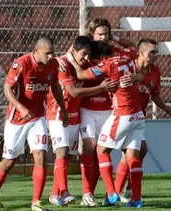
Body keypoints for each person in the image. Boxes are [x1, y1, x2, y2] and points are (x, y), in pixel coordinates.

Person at [0, 36, 69, 211]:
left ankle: (36, 202)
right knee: (9, 161)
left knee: (41, 157)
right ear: (37, 50)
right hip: (16, 119)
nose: (50, 57)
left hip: (38, 117)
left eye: (53, 53)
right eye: (47, 53)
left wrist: (64, 109)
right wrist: (20, 107)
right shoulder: (21, 63)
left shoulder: (53, 65)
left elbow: (55, 87)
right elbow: (7, 89)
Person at [66, 41, 145, 208]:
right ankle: (136, 199)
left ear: (102, 57)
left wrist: (70, 58)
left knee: (101, 150)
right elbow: (133, 49)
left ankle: (111, 193)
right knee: (132, 156)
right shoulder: (128, 57)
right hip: (138, 115)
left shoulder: (108, 64)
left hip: (122, 114)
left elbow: (80, 75)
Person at [46, 35, 118, 207]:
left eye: (88, 55)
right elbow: (73, 92)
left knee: (71, 155)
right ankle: (65, 192)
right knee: (63, 152)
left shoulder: (85, 64)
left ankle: (55, 194)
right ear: (74, 51)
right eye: (83, 54)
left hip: (75, 116)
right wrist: (101, 88)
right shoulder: (63, 65)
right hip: (58, 114)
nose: (86, 58)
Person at [78, 18, 136, 206]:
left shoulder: (115, 53)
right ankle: (88, 193)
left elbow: (132, 47)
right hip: (88, 107)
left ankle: (109, 193)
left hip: (110, 109)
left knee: (103, 151)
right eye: (100, 34)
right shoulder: (85, 50)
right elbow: (72, 61)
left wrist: (115, 37)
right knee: (90, 147)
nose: (103, 38)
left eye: (106, 34)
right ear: (91, 35)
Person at [115, 38, 171, 203]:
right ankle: (120, 192)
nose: (155, 55)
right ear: (141, 53)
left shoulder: (155, 71)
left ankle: (122, 191)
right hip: (123, 115)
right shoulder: (128, 67)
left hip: (138, 118)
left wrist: (166, 108)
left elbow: (154, 94)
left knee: (136, 153)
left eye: (156, 52)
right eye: (152, 52)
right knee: (134, 152)